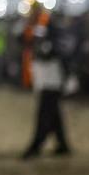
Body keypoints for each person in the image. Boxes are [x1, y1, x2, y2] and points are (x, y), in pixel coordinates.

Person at [21, 11, 72, 159]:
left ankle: (36, 145)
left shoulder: (51, 29)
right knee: (54, 113)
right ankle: (62, 145)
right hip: (45, 76)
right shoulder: (37, 29)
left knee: (44, 112)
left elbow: (55, 52)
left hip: (52, 77)